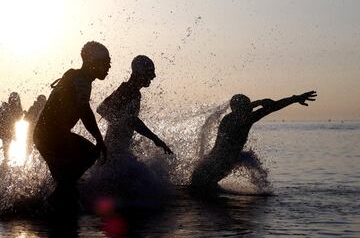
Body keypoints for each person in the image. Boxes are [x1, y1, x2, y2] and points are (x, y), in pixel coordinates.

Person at [83, 55, 173, 203]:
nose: (153, 76)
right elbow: (102, 109)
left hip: (117, 152)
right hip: (114, 152)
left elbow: (125, 118)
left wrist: (122, 120)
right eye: (150, 72)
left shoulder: (132, 91)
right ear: (139, 72)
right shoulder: (128, 90)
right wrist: (155, 138)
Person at [191, 91, 317, 190]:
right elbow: (272, 108)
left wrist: (261, 102)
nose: (250, 109)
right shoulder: (241, 120)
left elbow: (261, 108)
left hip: (211, 165)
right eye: (247, 106)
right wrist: (294, 99)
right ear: (241, 108)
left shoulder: (231, 117)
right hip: (212, 167)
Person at [33, 41, 110, 202]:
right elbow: (84, 112)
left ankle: (47, 202)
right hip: (52, 136)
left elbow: (84, 109)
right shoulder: (81, 80)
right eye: (106, 62)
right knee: (91, 153)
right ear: (93, 63)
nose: (109, 67)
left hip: (46, 135)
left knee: (65, 180)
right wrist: (99, 139)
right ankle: (57, 197)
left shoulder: (77, 77)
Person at [0, 92, 23, 162]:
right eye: (13, 99)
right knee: (6, 148)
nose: (14, 100)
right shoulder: (6, 106)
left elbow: (18, 118)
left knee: (7, 148)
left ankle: (5, 162)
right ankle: (5, 162)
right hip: (5, 130)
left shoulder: (16, 108)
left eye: (15, 99)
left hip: (9, 131)